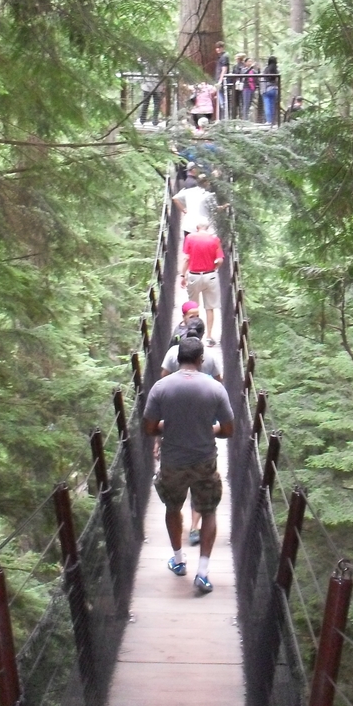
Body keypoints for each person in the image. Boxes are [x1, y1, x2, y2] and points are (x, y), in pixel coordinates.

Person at [143, 336, 234, 593]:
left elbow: (149, 428)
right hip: (204, 460)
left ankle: (179, 560)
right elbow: (228, 430)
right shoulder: (215, 388)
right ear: (200, 360)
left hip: (172, 462)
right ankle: (202, 573)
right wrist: (208, 430)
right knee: (209, 511)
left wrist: (170, 427)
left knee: (172, 507)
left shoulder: (160, 387)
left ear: (177, 359)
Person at [180, 216, 224, 345]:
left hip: (194, 276)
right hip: (210, 276)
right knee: (209, 308)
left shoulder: (190, 238)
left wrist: (183, 276)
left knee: (193, 308)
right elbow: (220, 260)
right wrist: (214, 268)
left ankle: (193, 335)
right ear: (208, 228)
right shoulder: (215, 239)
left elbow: (186, 259)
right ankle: (209, 336)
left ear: (197, 228)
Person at [172, 173, 217, 238]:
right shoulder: (208, 195)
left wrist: (183, 209)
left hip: (188, 226)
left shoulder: (188, 191)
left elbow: (175, 198)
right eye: (208, 181)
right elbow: (216, 209)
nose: (209, 183)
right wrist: (225, 206)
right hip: (202, 227)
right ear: (205, 182)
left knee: (189, 246)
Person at [214, 41, 230, 121]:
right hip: (218, 80)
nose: (217, 49)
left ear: (222, 48)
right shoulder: (220, 57)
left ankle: (224, 117)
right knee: (220, 100)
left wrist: (220, 81)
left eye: (219, 48)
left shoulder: (224, 56)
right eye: (217, 48)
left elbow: (224, 69)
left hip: (222, 81)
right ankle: (222, 117)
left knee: (223, 101)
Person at [261, 56, 279, 125]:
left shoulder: (266, 69)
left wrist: (262, 90)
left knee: (267, 105)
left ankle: (269, 121)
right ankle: (273, 121)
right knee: (272, 106)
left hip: (267, 89)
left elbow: (263, 79)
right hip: (274, 89)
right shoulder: (276, 70)